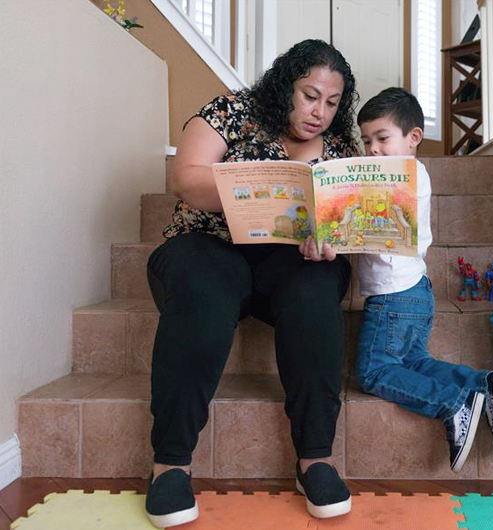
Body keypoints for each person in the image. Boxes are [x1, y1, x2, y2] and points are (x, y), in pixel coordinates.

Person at [145, 40, 358, 527]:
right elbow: (185, 179)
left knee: (317, 287)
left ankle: (315, 459)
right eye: (309, 95)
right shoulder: (233, 110)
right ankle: (169, 465)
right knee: (204, 291)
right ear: (285, 85)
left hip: (288, 262)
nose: (319, 112)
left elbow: (343, 222)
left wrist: (331, 240)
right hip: (207, 246)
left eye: (331, 103)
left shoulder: (342, 148)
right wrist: (255, 189)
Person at [300, 88, 493, 474]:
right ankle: (483, 384)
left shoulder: (403, 177)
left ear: (413, 138)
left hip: (393, 295)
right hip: (416, 291)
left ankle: (452, 404)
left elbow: (372, 226)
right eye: (367, 140)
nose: (372, 148)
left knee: (374, 372)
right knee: (415, 361)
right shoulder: (407, 176)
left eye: (383, 139)